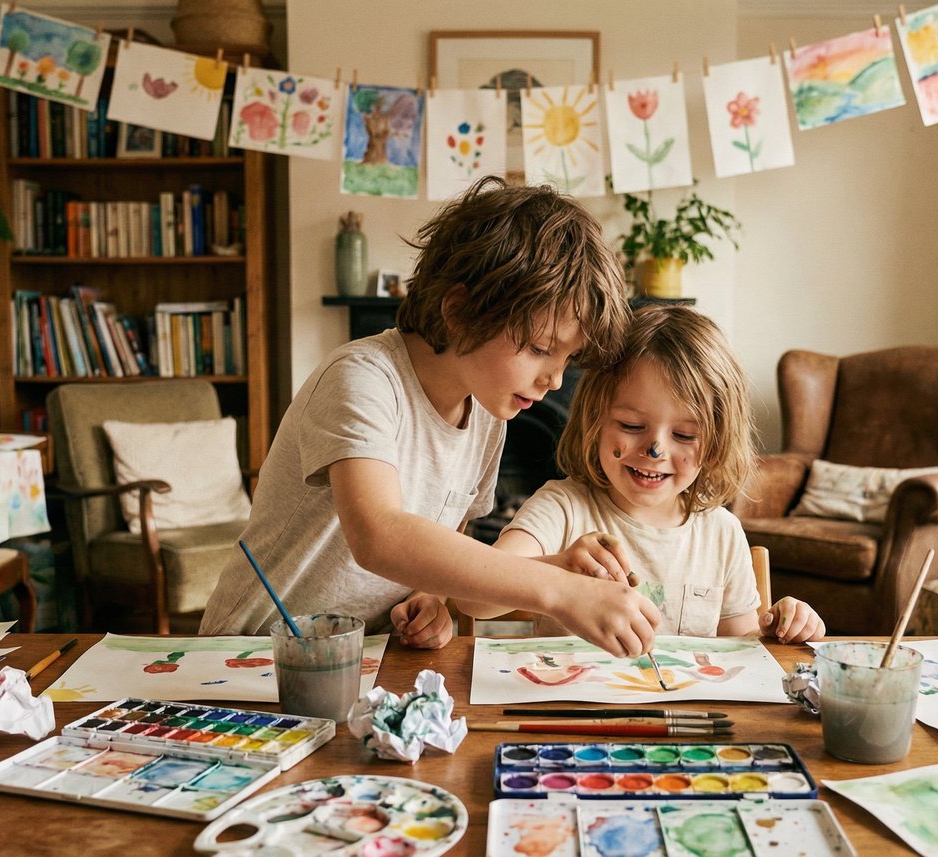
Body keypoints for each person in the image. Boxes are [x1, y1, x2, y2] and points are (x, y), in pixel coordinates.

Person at [200, 177, 661, 657]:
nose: (555, 381)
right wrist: (558, 590)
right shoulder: (361, 378)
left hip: (362, 657)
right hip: (250, 654)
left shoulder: (487, 410)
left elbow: (445, 539)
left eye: (568, 359)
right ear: (460, 313)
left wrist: (432, 595)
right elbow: (379, 534)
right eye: (541, 348)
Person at [455, 305, 826, 642]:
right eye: (632, 425)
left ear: (716, 442)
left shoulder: (722, 535)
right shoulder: (562, 508)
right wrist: (557, 569)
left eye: (683, 435)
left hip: (686, 715)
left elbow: (739, 649)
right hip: (573, 711)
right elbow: (471, 598)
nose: (655, 450)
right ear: (594, 422)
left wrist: (782, 629)